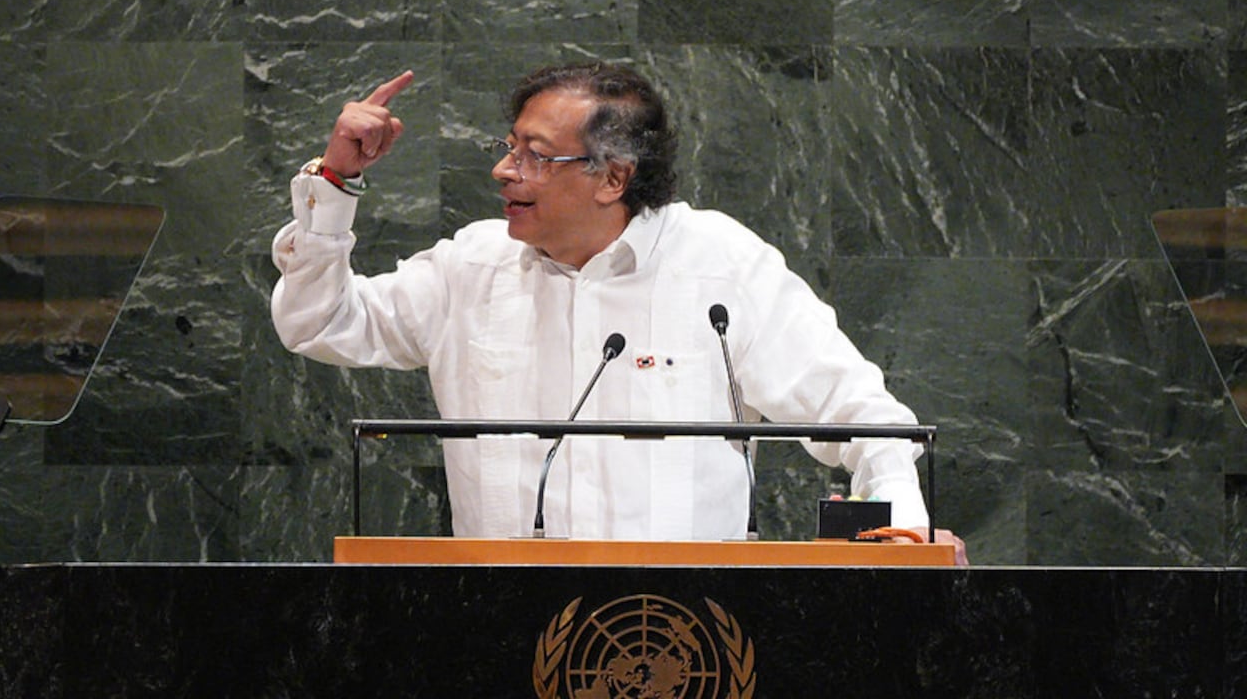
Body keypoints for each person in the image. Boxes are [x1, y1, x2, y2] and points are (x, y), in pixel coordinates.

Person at [271, 62, 968, 565]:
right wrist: (335, 184)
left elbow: (859, 414)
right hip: (499, 629)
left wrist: (905, 533)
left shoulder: (720, 264)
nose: (504, 171)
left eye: (535, 155)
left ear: (613, 177)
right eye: (508, 147)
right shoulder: (470, 268)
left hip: (694, 636)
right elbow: (319, 321)